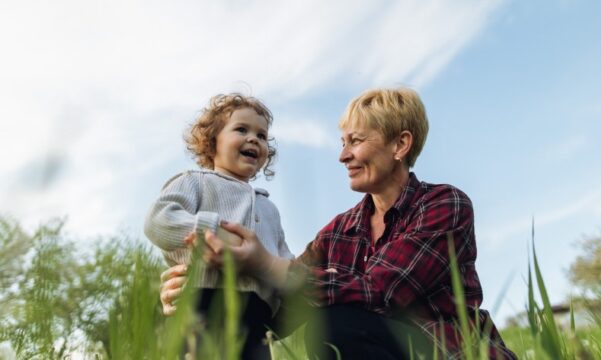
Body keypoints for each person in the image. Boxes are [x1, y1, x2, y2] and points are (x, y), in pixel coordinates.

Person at [160, 88, 516, 359]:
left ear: (400, 144)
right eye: (343, 142)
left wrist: (265, 263)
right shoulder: (337, 233)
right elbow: (285, 306)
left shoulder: (444, 205)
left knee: (338, 323)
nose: (343, 155)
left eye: (355, 141)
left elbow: (381, 292)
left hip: (451, 351)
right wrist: (205, 296)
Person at [144, 93, 294, 360]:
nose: (254, 139)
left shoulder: (269, 209)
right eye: (241, 129)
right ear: (212, 143)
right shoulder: (195, 182)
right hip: (204, 303)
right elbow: (159, 219)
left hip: (257, 319)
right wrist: (208, 230)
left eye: (261, 136)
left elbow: (283, 258)